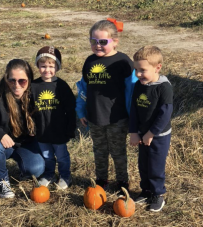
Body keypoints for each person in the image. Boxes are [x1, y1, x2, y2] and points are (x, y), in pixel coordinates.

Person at [75, 19, 138, 196]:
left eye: (103, 42)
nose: (98, 45)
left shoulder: (123, 62)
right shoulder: (89, 61)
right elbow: (83, 89)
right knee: (99, 151)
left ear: (115, 41)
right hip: (95, 117)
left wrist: (133, 116)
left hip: (117, 118)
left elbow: (131, 90)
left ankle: (122, 181)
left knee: (118, 152)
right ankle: (101, 179)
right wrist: (81, 110)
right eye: (93, 41)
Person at [0, 59, 45, 199]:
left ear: (29, 80)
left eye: (22, 81)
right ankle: (3, 181)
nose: (16, 85)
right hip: (2, 145)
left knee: (37, 169)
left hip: (26, 144)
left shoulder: (37, 97)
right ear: (6, 79)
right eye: (12, 80)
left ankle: (24, 170)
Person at [129, 45, 173, 212]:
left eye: (142, 70)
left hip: (159, 135)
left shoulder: (164, 87)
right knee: (143, 164)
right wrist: (133, 131)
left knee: (155, 165)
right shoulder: (139, 85)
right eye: (136, 70)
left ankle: (157, 194)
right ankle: (146, 190)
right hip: (141, 133)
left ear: (157, 67)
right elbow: (134, 108)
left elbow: (165, 114)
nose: (138, 74)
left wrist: (151, 133)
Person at [31, 46, 76, 190]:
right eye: (43, 66)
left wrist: (70, 128)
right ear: (37, 66)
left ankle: (65, 175)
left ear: (57, 67)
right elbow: (29, 109)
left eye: (51, 66)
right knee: (47, 156)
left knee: (62, 156)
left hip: (59, 130)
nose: (47, 70)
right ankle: (49, 174)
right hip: (42, 131)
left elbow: (70, 109)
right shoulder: (34, 86)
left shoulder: (61, 86)